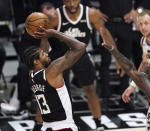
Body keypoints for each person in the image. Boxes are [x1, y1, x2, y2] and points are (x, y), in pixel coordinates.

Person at [40, 1, 117, 130]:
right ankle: (42, 125)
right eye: (68, 1)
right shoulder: (55, 16)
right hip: (61, 56)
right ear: (63, 1)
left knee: (90, 89)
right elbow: (44, 38)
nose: (71, 4)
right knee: (54, 92)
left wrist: (117, 56)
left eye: (74, 0)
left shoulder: (91, 13)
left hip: (80, 55)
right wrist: (43, 59)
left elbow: (105, 33)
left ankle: (98, 124)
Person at [23, 27, 86, 131]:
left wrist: (44, 37)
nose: (47, 54)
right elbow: (80, 47)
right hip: (63, 127)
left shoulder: (31, 75)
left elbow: (42, 53)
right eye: (43, 55)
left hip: (47, 127)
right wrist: (53, 32)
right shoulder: (52, 71)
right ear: (36, 61)